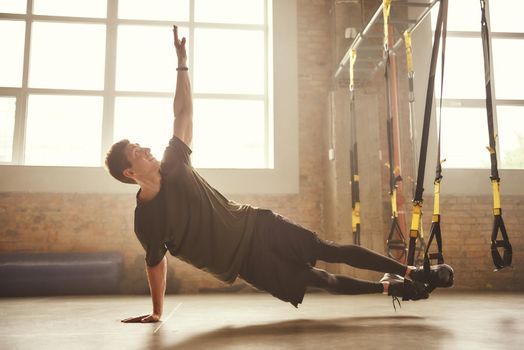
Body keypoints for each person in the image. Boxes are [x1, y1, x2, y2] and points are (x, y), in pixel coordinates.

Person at [105, 26, 454, 323]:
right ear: (129, 171)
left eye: (141, 145)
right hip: (244, 261)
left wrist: (182, 65)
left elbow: (183, 113)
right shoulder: (146, 220)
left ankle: (414, 272)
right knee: (320, 279)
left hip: (256, 224)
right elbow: (156, 264)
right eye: (137, 152)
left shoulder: (174, 163)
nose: (146, 149)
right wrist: (157, 312)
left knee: (329, 249)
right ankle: (393, 287)